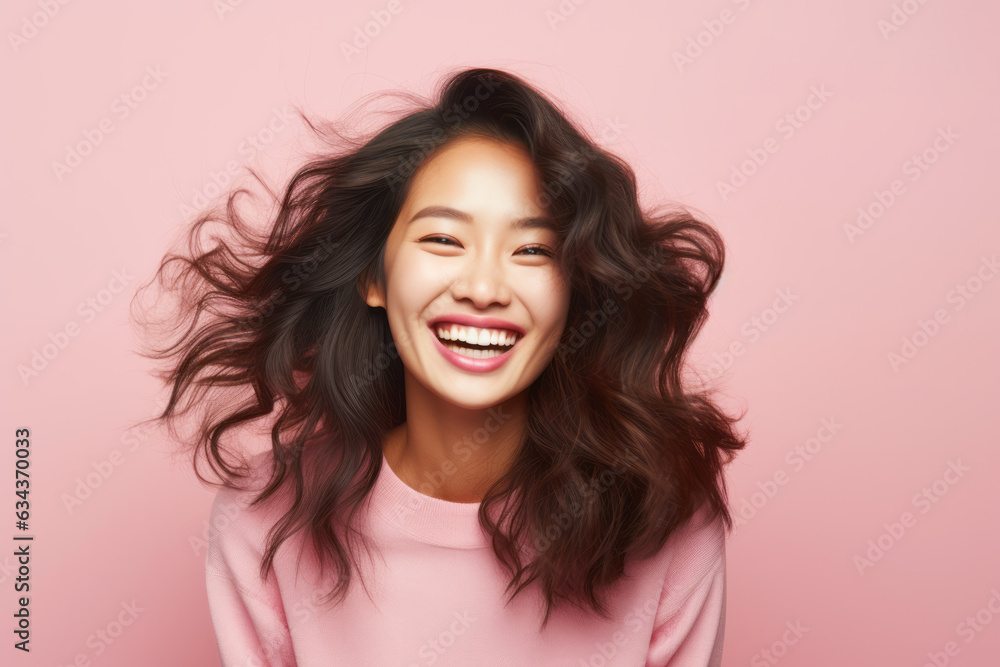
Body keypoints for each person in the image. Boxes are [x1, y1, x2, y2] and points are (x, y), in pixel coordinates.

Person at [135, 66, 747, 666]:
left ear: (575, 290)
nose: (483, 287)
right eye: (443, 241)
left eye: (532, 250)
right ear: (375, 275)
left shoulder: (662, 521)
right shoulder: (264, 523)